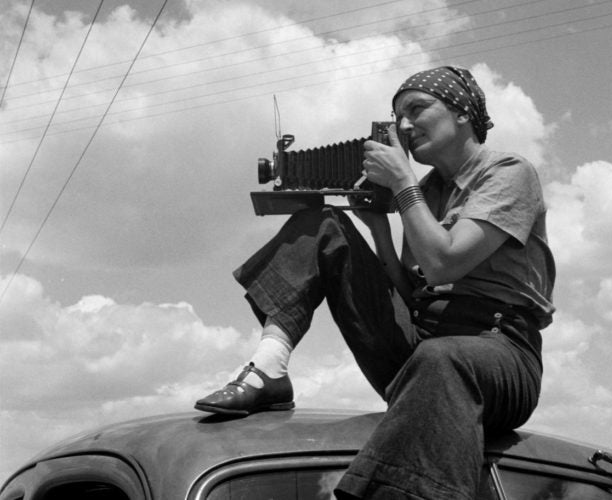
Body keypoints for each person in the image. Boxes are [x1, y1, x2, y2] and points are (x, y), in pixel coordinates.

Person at [195, 66, 555, 500]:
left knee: (443, 360)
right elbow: (414, 291)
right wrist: (378, 229)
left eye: (417, 109)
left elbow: (444, 263)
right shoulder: (427, 192)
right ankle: (269, 367)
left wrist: (402, 183)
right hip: (424, 346)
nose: (404, 126)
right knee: (324, 224)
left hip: (500, 352)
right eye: (397, 116)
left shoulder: (509, 172)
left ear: (462, 113)